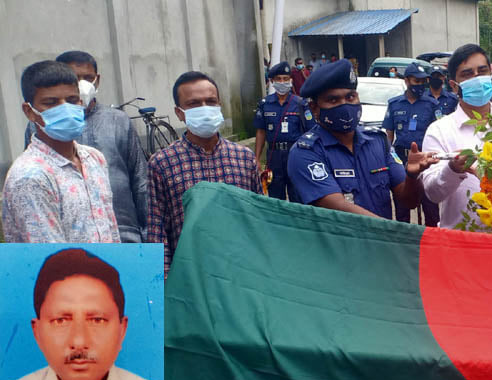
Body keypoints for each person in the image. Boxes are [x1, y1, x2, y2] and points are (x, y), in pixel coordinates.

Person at [0, 248, 163, 380]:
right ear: (37, 331)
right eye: (61, 320)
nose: (79, 341)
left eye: (97, 320)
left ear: (122, 329)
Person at [20, 50, 147, 243]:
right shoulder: (29, 172)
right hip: (68, 244)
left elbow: (140, 180)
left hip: (124, 233)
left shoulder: (111, 131)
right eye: (51, 102)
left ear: (97, 80)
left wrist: (148, 232)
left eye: (87, 78)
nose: (82, 85)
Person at [287, 59, 437, 220]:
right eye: (333, 100)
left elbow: (409, 201)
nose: (344, 105)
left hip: (381, 243)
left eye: (350, 97)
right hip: (339, 244)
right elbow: (339, 208)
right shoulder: (306, 152)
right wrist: (391, 231)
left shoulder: (378, 141)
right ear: (314, 108)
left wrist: (412, 177)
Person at [147, 71, 263, 276]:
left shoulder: (244, 158)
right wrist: (164, 279)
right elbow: (157, 230)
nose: (205, 109)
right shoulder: (162, 163)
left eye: (211, 101)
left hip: (242, 271)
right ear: (180, 112)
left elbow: (259, 218)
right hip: (190, 274)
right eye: (194, 104)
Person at [3, 60, 119, 243]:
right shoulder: (30, 177)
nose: (65, 109)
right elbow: (52, 260)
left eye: (72, 101)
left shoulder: (94, 159)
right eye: (51, 103)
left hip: (107, 270)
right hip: (69, 272)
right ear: (29, 111)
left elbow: (111, 230)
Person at [419, 43, 492, 229]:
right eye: (468, 74)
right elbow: (432, 193)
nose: (477, 78)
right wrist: (452, 170)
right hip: (461, 244)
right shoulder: (439, 131)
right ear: (454, 86)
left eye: (482, 71)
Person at [382, 63, 443, 225]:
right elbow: (389, 134)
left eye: (423, 81)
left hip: (425, 160)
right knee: (402, 208)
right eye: (417, 81)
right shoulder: (395, 104)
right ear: (407, 81)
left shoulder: (431, 104)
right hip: (401, 160)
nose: (421, 85)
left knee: (430, 208)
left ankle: (431, 244)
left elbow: (439, 132)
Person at [254, 62, 315, 202]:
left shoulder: (300, 103)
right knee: (275, 194)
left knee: (297, 194)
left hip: (295, 153)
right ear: (272, 81)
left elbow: (311, 132)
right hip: (274, 156)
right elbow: (261, 132)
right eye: (279, 79)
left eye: (286, 79)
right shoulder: (265, 104)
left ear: (290, 80)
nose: (283, 82)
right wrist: (257, 158)